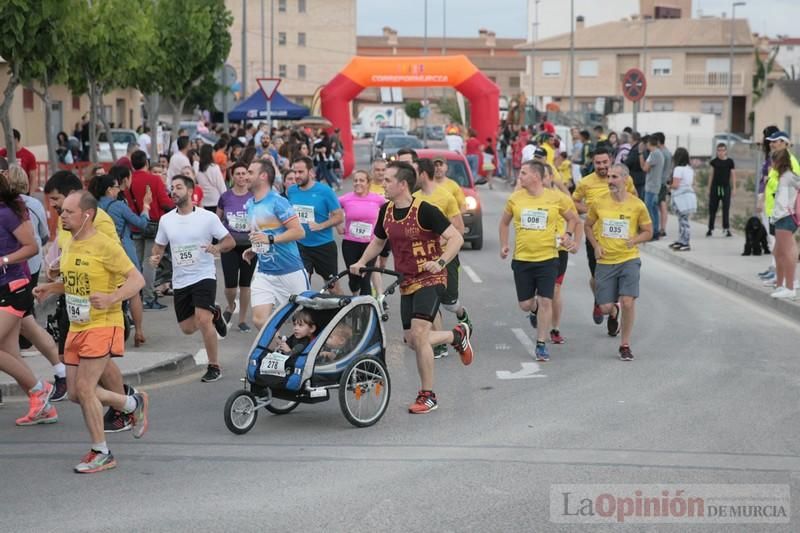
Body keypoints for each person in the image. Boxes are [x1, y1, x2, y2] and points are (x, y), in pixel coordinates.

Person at [33, 191, 149, 473]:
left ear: (87, 215)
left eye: (69, 212)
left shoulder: (106, 246)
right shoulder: (70, 242)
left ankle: (102, 452)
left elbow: (137, 279)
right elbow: (74, 283)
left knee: (86, 389)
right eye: (63, 212)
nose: (62, 215)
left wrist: (112, 298)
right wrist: (51, 287)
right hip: (77, 324)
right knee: (75, 393)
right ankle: (132, 402)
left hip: (103, 323)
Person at [349, 161, 474, 415]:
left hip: (432, 278)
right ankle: (456, 336)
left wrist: (439, 261)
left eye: (388, 180)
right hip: (406, 280)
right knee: (411, 341)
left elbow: (456, 238)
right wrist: (361, 262)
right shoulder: (386, 211)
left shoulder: (426, 210)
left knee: (419, 334)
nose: (382, 183)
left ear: (402, 184)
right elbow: (378, 241)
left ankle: (428, 395)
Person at [44, 171, 135, 431]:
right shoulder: (68, 226)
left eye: (57, 200)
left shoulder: (99, 224)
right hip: (75, 306)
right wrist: (53, 278)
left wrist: (112, 297)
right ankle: (127, 404)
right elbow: (66, 256)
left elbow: (117, 266)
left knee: (89, 383)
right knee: (77, 389)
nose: (55, 208)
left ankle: (123, 412)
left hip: (102, 311)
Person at [149, 175, 234, 383]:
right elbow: (159, 246)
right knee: (187, 328)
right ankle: (215, 313)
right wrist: (155, 256)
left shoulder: (207, 217)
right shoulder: (166, 220)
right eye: (172, 188)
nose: (174, 191)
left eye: (179, 187)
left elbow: (229, 241)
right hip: (181, 279)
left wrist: (217, 247)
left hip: (204, 274)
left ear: (190, 191)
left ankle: (214, 365)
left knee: (202, 320)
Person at [499, 161, 579, 361]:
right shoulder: (515, 198)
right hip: (523, 259)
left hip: (548, 259)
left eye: (523, 173)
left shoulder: (555, 198)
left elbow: (573, 218)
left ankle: (541, 343)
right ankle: (533, 310)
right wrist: (503, 245)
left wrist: (568, 235)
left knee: (546, 299)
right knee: (525, 304)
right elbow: (504, 222)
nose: (520, 176)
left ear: (536, 176)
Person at [0, 165, 58, 426]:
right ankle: (43, 406)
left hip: (14, 288)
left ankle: (39, 389)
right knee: (10, 353)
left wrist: (4, 259)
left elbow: (33, 246)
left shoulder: (7, 213)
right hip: (4, 288)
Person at [584, 164, 653, 361]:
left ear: (625, 179)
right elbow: (587, 225)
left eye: (615, 177)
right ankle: (614, 312)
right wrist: (595, 245)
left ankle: (625, 345)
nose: (610, 181)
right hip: (605, 260)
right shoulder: (599, 202)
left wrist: (635, 240)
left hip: (628, 259)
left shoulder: (637, 205)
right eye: (609, 177)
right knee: (605, 307)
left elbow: (649, 231)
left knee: (628, 302)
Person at [409, 156, 469, 360]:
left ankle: (462, 314)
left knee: (449, 302)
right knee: (430, 301)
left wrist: (441, 246)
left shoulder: (446, 196)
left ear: (423, 174)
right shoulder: (414, 198)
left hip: (447, 257)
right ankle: (441, 344)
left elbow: (459, 229)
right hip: (424, 261)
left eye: (414, 172)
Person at [572, 148, 637, 325]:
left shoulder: (625, 178)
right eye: (597, 163)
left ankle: (612, 307)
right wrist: (593, 211)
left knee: (618, 277)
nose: (601, 166)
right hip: (596, 237)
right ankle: (601, 301)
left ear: (611, 161)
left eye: (604, 163)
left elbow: (634, 198)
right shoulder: (585, 182)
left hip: (620, 239)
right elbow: (574, 202)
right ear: (593, 163)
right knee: (596, 278)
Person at [243, 159, 308, 331]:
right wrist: (255, 249)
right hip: (265, 272)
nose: (246, 176)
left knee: (304, 323)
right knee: (259, 321)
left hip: (290, 271)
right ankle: (282, 351)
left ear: (263, 176)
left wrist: (270, 240)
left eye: (250, 172)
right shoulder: (250, 204)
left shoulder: (277, 201)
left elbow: (299, 232)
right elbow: (263, 233)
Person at [92, 167, 152, 346]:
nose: (119, 190)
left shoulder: (92, 206)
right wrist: (146, 206)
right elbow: (141, 224)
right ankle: (139, 331)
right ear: (110, 190)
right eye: (116, 187)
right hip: (123, 251)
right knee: (133, 292)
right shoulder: (118, 205)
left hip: (100, 253)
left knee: (108, 291)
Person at [286, 156, 344, 292]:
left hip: (323, 246)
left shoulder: (325, 191)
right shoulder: (292, 190)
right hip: (301, 246)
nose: (296, 176)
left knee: (333, 287)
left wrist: (320, 225)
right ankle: (306, 312)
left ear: (310, 172)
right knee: (302, 284)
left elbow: (339, 216)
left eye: (300, 172)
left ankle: (342, 312)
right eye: (295, 172)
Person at [126, 150, 174, 311]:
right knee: (150, 262)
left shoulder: (129, 180)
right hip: (154, 225)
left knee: (137, 261)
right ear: (146, 163)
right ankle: (148, 297)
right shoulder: (154, 180)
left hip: (134, 224)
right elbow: (164, 201)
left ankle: (136, 294)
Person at [543, 163, 582, 344]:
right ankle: (538, 309)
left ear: (551, 177)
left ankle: (555, 328)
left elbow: (577, 222)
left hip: (558, 250)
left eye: (543, 176)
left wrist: (575, 243)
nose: (540, 180)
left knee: (556, 290)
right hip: (537, 251)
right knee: (540, 294)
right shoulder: (527, 199)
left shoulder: (563, 198)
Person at [217, 161, 256, 332]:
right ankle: (231, 305)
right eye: (238, 174)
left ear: (248, 176)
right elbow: (217, 220)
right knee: (230, 286)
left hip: (249, 246)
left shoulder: (254, 197)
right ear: (232, 176)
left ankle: (241, 320)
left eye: (244, 173)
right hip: (229, 245)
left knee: (245, 284)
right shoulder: (225, 197)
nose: (241, 177)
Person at [337, 170, 385, 295]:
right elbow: (331, 209)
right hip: (350, 244)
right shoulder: (346, 198)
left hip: (370, 245)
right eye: (355, 180)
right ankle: (355, 297)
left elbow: (391, 211)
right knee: (353, 278)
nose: (358, 183)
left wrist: (383, 229)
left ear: (368, 183)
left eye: (361, 180)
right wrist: (338, 225)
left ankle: (366, 310)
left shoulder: (377, 199)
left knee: (365, 277)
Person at [768, 148, 800, 299]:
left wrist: (790, 208)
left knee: (787, 253)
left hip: (786, 217)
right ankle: (781, 285)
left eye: (773, 160)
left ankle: (790, 287)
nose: (771, 163)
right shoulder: (785, 177)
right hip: (781, 218)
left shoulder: (788, 177)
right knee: (778, 253)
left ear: (778, 161)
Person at [669, 148, 697, 252]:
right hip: (689, 197)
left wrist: (669, 186)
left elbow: (676, 185)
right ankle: (681, 240)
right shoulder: (689, 169)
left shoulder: (678, 169)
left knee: (683, 221)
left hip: (681, 198)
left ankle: (685, 242)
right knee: (683, 220)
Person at [707, 143, 736, 237]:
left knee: (726, 208)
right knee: (713, 209)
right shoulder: (714, 162)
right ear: (717, 151)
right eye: (719, 150)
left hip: (726, 188)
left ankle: (726, 228)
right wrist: (708, 188)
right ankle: (710, 228)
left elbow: (733, 175)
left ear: (726, 151)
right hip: (715, 188)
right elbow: (711, 175)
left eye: (723, 150)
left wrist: (734, 188)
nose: (721, 152)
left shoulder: (730, 162)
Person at [639, 135, 664, 239]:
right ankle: (655, 231)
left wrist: (640, 154)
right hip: (654, 185)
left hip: (651, 186)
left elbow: (644, 168)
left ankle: (653, 232)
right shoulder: (657, 153)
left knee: (649, 210)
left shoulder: (654, 154)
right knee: (653, 209)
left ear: (649, 143)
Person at [195, 144, 227, 212]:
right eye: (213, 152)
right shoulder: (214, 168)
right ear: (210, 154)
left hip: (203, 201)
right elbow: (221, 185)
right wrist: (226, 199)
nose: (214, 154)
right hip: (215, 201)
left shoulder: (197, 168)